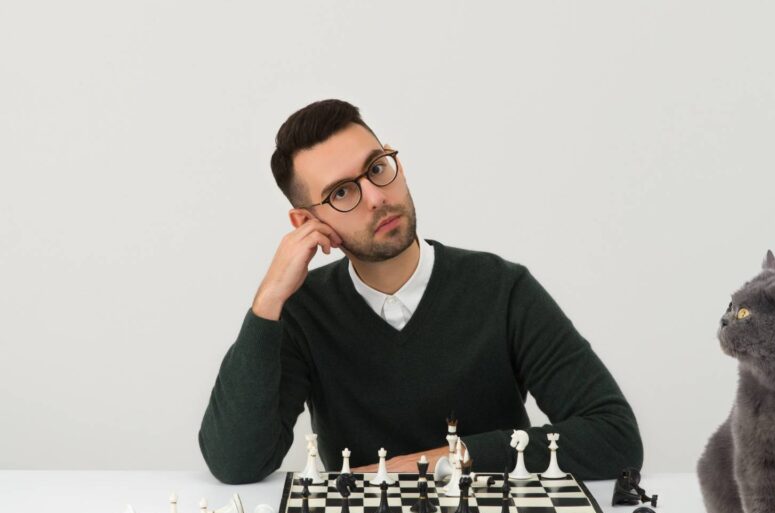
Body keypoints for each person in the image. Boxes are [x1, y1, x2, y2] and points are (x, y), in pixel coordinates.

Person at [198, 99, 643, 484]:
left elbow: (614, 436)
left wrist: (444, 461)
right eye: (342, 193)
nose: (376, 197)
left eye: (377, 168)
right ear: (307, 223)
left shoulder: (502, 289)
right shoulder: (302, 312)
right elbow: (235, 463)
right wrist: (268, 301)